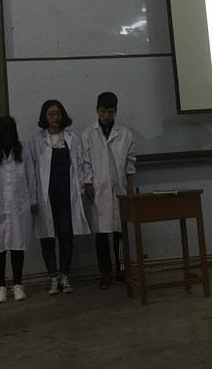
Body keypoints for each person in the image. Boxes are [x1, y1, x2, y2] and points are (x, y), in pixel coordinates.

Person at [28, 99, 93, 295]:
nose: (56, 117)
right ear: (44, 117)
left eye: (58, 113)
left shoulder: (72, 139)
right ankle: (53, 277)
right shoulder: (36, 142)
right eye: (51, 114)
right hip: (46, 194)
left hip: (67, 192)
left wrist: (81, 189)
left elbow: (81, 165)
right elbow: (31, 172)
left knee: (66, 234)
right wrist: (33, 198)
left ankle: (65, 275)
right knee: (47, 236)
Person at [0, 116, 37, 303]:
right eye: (4, 131)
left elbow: (31, 178)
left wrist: (33, 201)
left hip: (19, 206)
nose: (7, 135)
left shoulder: (24, 151)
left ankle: (18, 284)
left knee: (18, 245)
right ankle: (0, 286)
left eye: (10, 131)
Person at [81, 91, 136, 289]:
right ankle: (105, 272)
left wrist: (129, 184)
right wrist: (88, 183)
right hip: (99, 188)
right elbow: (85, 162)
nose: (106, 115)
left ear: (115, 111)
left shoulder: (125, 133)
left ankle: (121, 270)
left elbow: (130, 161)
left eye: (110, 112)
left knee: (120, 230)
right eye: (103, 111)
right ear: (97, 110)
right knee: (102, 232)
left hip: (119, 187)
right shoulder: (88, 133)